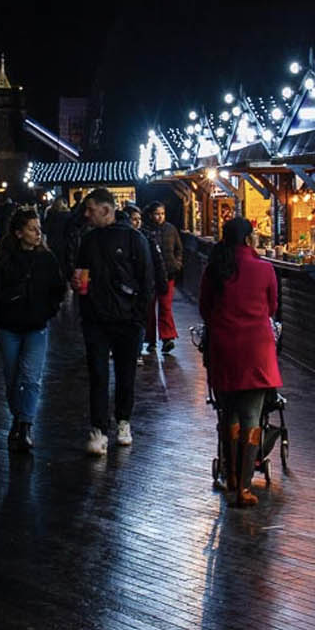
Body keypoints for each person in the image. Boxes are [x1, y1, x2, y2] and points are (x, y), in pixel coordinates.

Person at [198, 216, 282, 507]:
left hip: (223, 351)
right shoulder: (265, 269)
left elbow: (205, 310)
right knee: (251, 416)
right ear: (248, 240)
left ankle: (230, 475)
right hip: (256, 352)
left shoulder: (214, 270)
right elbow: (271, 309)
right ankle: (245, 488)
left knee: (228, 414)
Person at [73, 187, 156, 455]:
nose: (86, 214)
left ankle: (123, 421)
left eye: (91, 209)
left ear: (106, 210)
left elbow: (147, 281)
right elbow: (80, 272)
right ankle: (98, 427)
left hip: (126, 320)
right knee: (98, 373)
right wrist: (80, 290)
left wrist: (137, 317)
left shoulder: (135, 239)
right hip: (96, 318)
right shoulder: (88, 240)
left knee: (125, 373)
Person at [0, 207, 66, 452]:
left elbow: (57, 289)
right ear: (19, 233)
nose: (37, 233)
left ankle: (25, 424)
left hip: (36, 327)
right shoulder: (5, 259)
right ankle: (18, 416)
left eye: (38, 228)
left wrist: (47, 311)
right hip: (9, 326)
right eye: (32, 229)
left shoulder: (47, 259)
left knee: (31, 378)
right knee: (11, 378)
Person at [124, 205, 169, 361]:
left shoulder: (147, 237)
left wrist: (161, 281)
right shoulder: (124, 238)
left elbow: (158, 261)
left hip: (144, 284)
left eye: (139, 219)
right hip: (129, 285)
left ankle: (136, 351)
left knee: (140, 318)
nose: (137, 222)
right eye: (134, 219)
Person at [144, 201, 185, 353]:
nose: (160, 217)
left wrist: (177, 264)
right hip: (151, 276)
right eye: (157, 214)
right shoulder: (146, 231)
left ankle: (167, 338)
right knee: (149, 308)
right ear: (150, 215)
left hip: (169, 273)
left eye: (162, 214)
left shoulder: (171, 229)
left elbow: (178, 248)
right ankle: (150, 340)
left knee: (165, 306)